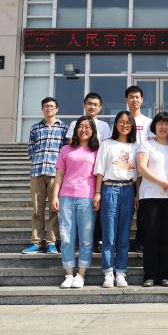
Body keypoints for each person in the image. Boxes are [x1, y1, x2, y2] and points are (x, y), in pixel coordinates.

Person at [51, 116, 99, 289]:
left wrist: (97, 194)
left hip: (87, 197)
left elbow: (99, 176)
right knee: (66, 237)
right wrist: (55, 196)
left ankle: (81, 274)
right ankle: (68, 274)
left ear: (93, 131)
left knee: (86, 238)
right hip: (66, 197)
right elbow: (59, 175)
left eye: (87, 127)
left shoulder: (97, 151)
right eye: (80, 126)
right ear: (75, 129)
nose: (84, 130)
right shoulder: (66, 149)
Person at [93, 111, 138, 288]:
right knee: (109, 233)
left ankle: (120, 272)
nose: (125, 125)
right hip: (109, 188)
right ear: (116, 124)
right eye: (121, 121)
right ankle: (108, 272)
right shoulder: (107, 144)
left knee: (124, 234)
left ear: (132, 125)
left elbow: (138, 174)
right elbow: (100, 171)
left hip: (128, 189)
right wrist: (97, 193)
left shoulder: (136, 146)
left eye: (128, 122)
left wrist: (138, 194)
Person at [65, 92, 111, 254]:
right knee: (79, 210)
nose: (92, 107)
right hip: (79, 173)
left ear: (100, 108)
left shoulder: (104, 126)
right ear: (83, 105)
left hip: (98, 171)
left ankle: (96, 240)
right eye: (89, 103)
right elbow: (72, 145)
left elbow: (106, 148)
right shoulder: (75, 124)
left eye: (95, 104)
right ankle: (79, 241)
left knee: (97, 207)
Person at [136, 112, 168, 287]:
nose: (163, 127)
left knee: (166, 237)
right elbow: (141, 168)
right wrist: (162, 182)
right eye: (160, 123)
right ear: (154, 126)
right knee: (151, 236)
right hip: (150, 196)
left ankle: (165, 275)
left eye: (167, 124)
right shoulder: (146, 144)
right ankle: (150, 275)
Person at [23, 97, 68, 254]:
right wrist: (37, 161)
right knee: (37, 210)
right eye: (46, 106)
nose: (49, 108)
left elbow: (65, 151)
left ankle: (51, 242)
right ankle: (36, 242)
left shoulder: (64, 128)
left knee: (54, 209)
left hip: (55, 174)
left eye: (52, 106)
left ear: (57, 109)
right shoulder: (35, 128)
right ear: (42, 109)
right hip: (37, 173)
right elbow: (31, 149)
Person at [125, 85, 153, 253]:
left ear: (142, 100)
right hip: (124, 171)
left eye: (137, 97)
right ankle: (123, 241)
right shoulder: (122, 120)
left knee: (142, 209)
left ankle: (141, 242)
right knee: (125, 210)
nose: (134, 100)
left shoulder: (148, 122)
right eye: (131, 97)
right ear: (126, 100)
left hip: (143, 172)